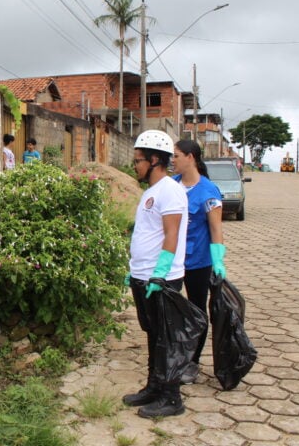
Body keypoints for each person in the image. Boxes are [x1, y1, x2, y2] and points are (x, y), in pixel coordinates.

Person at [123, 130, 189, 418]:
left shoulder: (170, 190)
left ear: (153, 160)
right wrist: (134, 270)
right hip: (143, 276)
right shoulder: (150, 192)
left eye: (138, 160)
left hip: (161, 278)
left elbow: (171, 234)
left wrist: (161, 273)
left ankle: (172, 397)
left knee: (167, 337)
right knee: (153, 334)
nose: (134, 165)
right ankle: (154, 387)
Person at [171, 139, 226, 384]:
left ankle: (192, 362)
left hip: (198, 262)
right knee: (171, 310)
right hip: (172, 261)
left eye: (177, 155)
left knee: (196, 311)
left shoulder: (208, 191)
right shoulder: (171, 185)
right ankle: (174, 355)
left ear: (191, 157)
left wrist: (218, 262)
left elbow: (216, 229)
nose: (172, 160)